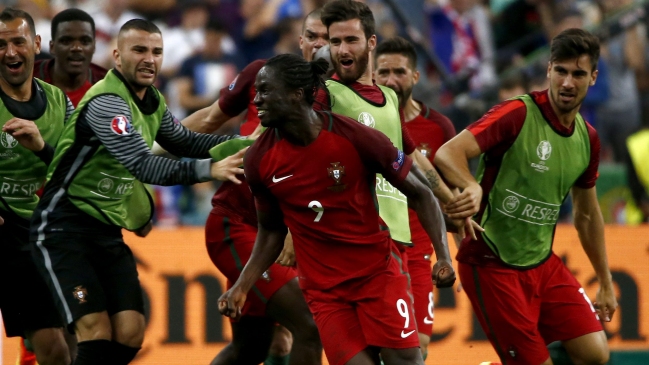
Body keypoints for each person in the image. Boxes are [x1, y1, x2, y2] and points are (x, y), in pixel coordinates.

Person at [29, 19, 245, 365]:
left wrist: (247, 145)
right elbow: (142, 165)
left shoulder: (151, 100)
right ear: (117, 55)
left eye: (157, 51)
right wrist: (210, 169)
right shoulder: (107, 104)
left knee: (130, 334)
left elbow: (188, 141)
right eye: (139, 50)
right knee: (94, 333)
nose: (150, 59)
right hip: (63, 227)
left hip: (106, 230)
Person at [218, 53, 456, 365]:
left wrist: (443, 255)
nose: (257, 99)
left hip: (377, 274)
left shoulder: (355, 137)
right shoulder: (258, 160)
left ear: (296, 94)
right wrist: (242, 286)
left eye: (265, 91)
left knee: (406, 361)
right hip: (325, 292)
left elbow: (421, 193)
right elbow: (272, 229)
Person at [435, 28, 616, 365]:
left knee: (595, 354)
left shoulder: (587, 138)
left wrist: (605, 281)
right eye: (560, 71)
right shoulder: (517, 113)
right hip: (491, 263)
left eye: (578, 74)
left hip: (542, 264)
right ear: (548, 69)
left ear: (593, 77)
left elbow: (588, 216)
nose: (567, 82)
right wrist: (470, 185)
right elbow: (448, 153)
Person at [180, 9, 328, 365]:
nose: (322, 44)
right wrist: (148, 148)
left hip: (288, 233)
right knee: (308, 324)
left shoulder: (342, 102)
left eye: (332, 38)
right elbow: (210, 119)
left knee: (252, 348)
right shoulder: (263, 75)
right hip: (239, 226)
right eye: (314, 35)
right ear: (301, 40)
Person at [315, 0, 476, 251]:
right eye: (335, 42)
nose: (342, 50)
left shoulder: (388, 99)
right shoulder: (325, 96)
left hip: (396, 240)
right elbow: (298, 156)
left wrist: (452, 204)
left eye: (351, 40)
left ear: (371, 43)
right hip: (349, 239)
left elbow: (414, 161)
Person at [374, 36, 457, 358]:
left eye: (399, 72)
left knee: (419, 345)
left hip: (420, 247)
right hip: (379, 245)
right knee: (384, 342)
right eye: (383, 72)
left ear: (415, 76)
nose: (391, 80)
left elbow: (451, 199)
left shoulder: (439, 128)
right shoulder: (365, 119)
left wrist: (453, 253)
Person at [0, 8, 74, 365]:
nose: (11, 52)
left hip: (37, 232)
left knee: (64, 346)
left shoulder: (60, 103)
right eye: (0, 45)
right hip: (7, 231)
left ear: (37, 44)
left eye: (18, 42)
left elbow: (75, 171)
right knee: (52, 346)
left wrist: (42, 148)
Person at [34, 8, 107, 107]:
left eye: (85, 41)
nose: (76, 48)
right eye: (66, 41)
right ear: (52, 47)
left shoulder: (107, 86)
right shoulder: (29, 78)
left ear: (94, 47)